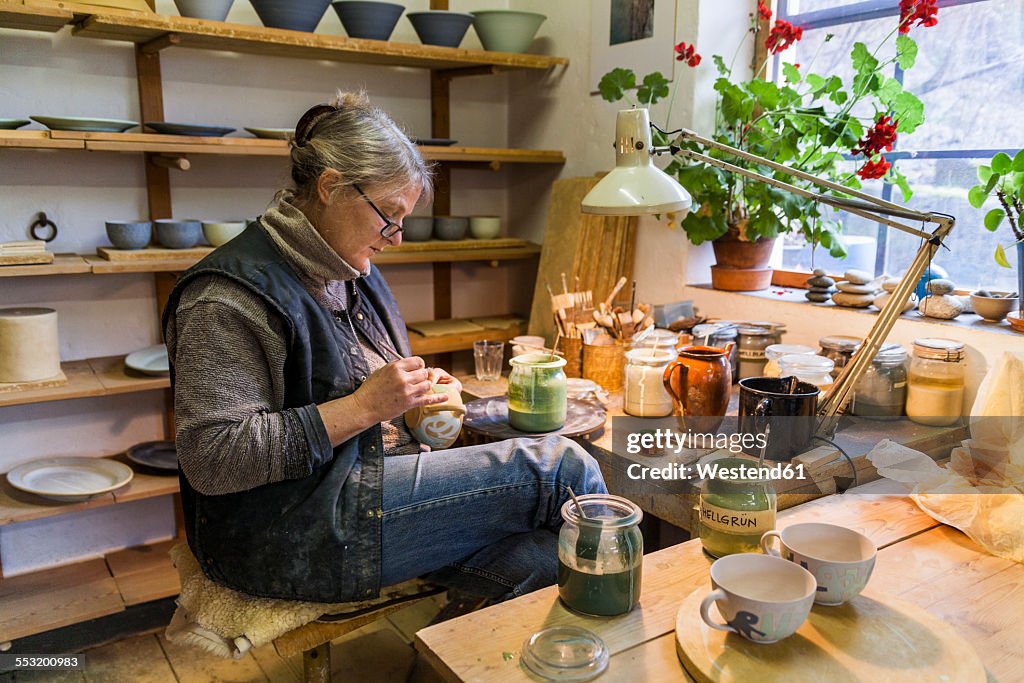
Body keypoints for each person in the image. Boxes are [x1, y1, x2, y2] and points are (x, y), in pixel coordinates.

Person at [163, 91, 607, 604]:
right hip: (283, 530)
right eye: (389, 216)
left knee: (545, 557)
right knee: (561, 469)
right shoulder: (227, 299)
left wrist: (415, 398)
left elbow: (370, 387)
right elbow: (213, 459)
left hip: (363, 487)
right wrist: (365, 406)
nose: (396, 238)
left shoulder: (350, 270)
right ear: (332, 188)